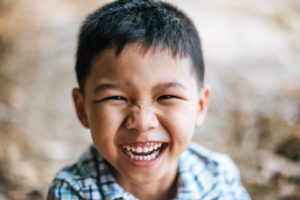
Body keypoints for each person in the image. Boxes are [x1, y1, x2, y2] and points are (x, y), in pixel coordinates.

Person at [47, 0, 250, 199]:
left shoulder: (218, 178)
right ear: (82, 109)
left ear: (200, 106)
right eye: (116, 97)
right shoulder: (72, 191)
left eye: (167, 97)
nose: (142, 122)